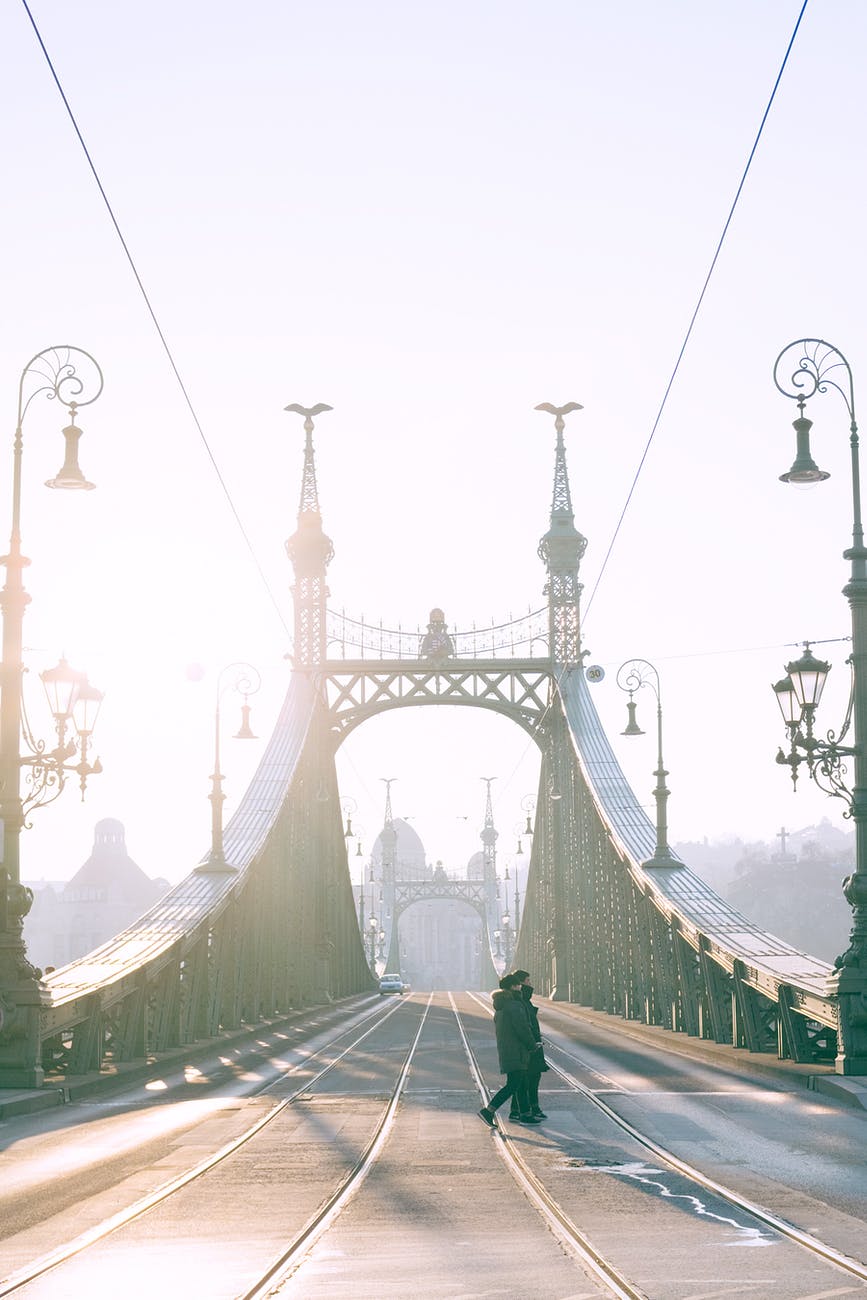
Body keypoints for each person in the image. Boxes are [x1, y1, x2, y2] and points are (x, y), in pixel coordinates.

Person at [478, 973, 542, 1127]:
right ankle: (488, 1111)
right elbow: (523, 1029)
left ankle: (525, 1114)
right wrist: (532, 1045)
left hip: (509, 1050)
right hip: (517, 1051)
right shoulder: (514, 1005)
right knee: (513, 1084)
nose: (522, 987)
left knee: (521, 1082)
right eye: (519, 985)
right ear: (514, 987)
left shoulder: (502, 1004)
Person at [508, 969, 548, 1120]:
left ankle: (520, 1109)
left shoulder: (523, 999)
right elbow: (525, 1026)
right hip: (529, 1045)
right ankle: (528, 1109)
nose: (530, 983)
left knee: (526, 1077)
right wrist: (532, 1043)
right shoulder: (521, 1000)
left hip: (530, 1043)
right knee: (528, 1077)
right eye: (528, 981)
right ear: (521, 983)